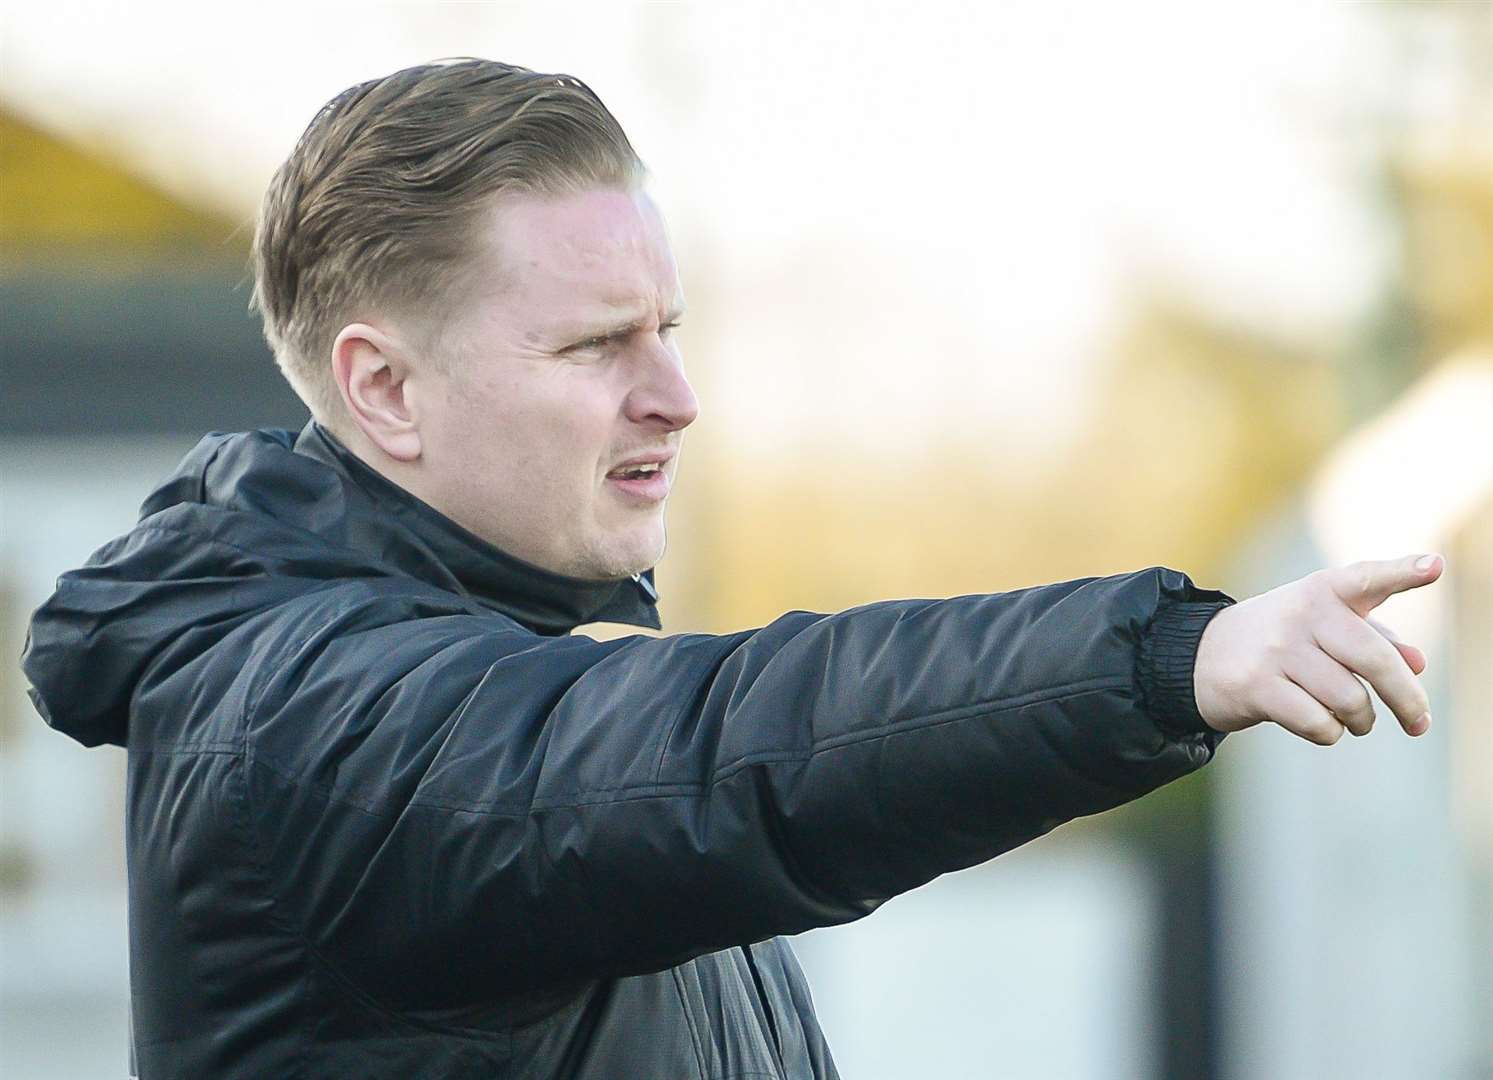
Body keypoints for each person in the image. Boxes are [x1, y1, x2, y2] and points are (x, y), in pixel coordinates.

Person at [20, 58, 1442, 1080]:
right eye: (594, 345)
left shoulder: (490, 665)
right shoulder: (315, 722)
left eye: (666, 327)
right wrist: (1158, 659)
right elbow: (730, 747)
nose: (675, 394)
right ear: (384, 388)